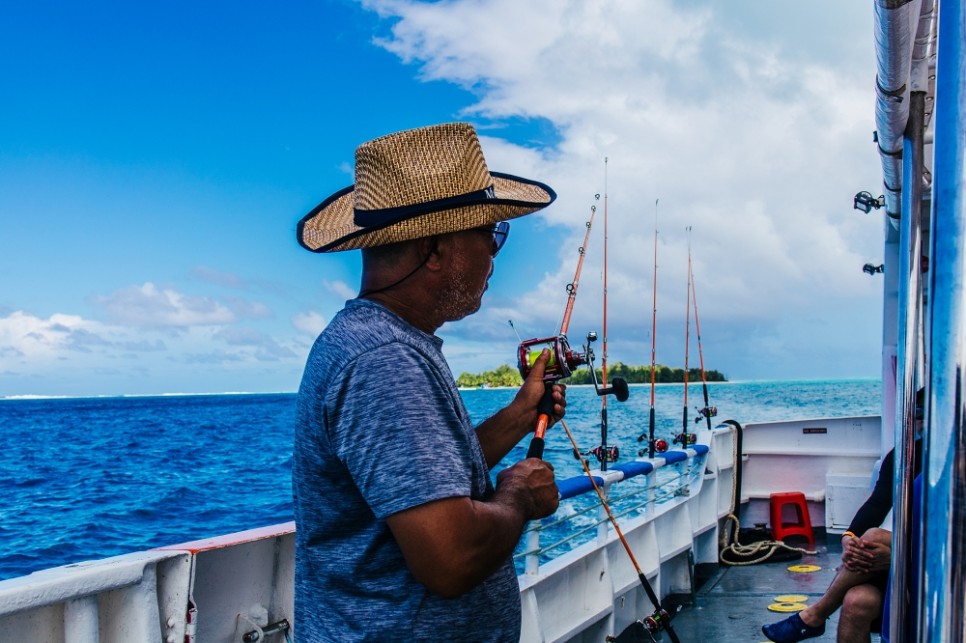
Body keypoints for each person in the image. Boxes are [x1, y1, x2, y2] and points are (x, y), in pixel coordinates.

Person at [292, 122, 567, 642]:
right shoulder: (385, 360)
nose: (493, 253)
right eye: (490, 234)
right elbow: (452, 558)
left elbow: (429, 479)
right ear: (437, 248)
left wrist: (520, 414)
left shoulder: (382, 342)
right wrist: (519, 495)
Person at [761, 389, 924, 643]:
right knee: (856, 600)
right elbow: (877, 504)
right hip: (911, 568)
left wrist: (901, 558)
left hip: (942, 571)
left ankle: (814, 615)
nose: (921, 422)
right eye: (918, 414)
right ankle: (814, 616)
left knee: (874, 538)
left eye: (928, 415)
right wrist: (849, 538)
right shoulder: (907, 456)